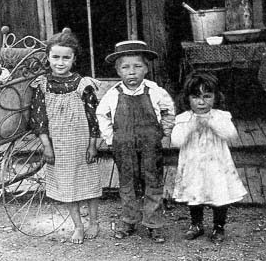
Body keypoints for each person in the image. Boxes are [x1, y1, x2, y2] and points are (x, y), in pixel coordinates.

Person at [96, 40, 175, 243]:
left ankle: (154, 224)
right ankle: (129, 221)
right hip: (123, 144)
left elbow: (168, 111)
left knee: (152, 181)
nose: (132, 72)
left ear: (146, 68)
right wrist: (110, 138)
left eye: (137, 66)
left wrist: (164, 132)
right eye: (125, 67)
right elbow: (102, 115)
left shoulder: (156, 91)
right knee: (127, 182)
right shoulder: (113, 94)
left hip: (151, 143)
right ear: (118, 70)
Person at [29, 29, 102, 244]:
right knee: (67, 186)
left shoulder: (83, 85)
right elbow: (39, 118)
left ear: (74, 59)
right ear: (48, 57)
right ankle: (78, 226)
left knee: (89, 185)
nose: (60, 63)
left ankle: (94, 221)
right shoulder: (42, 85)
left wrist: (92, 145)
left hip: (81, 143)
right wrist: (46, 146)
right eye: (55, 57)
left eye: (66, 58)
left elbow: (93, 118)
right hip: (58, 145)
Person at [171, 71, 247, 243]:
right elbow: (176, 140)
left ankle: (218, 227)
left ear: (215, 97)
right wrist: (191, 126)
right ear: (188, 99)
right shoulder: (184, 118)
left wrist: (211, 123)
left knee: (219, 195)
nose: (201, 102)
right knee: (194, 193)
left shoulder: (221, 116)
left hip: (217, 166)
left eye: (207, 96)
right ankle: (196, 224)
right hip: (193, 166)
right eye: (196, 97)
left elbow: (231, 135)